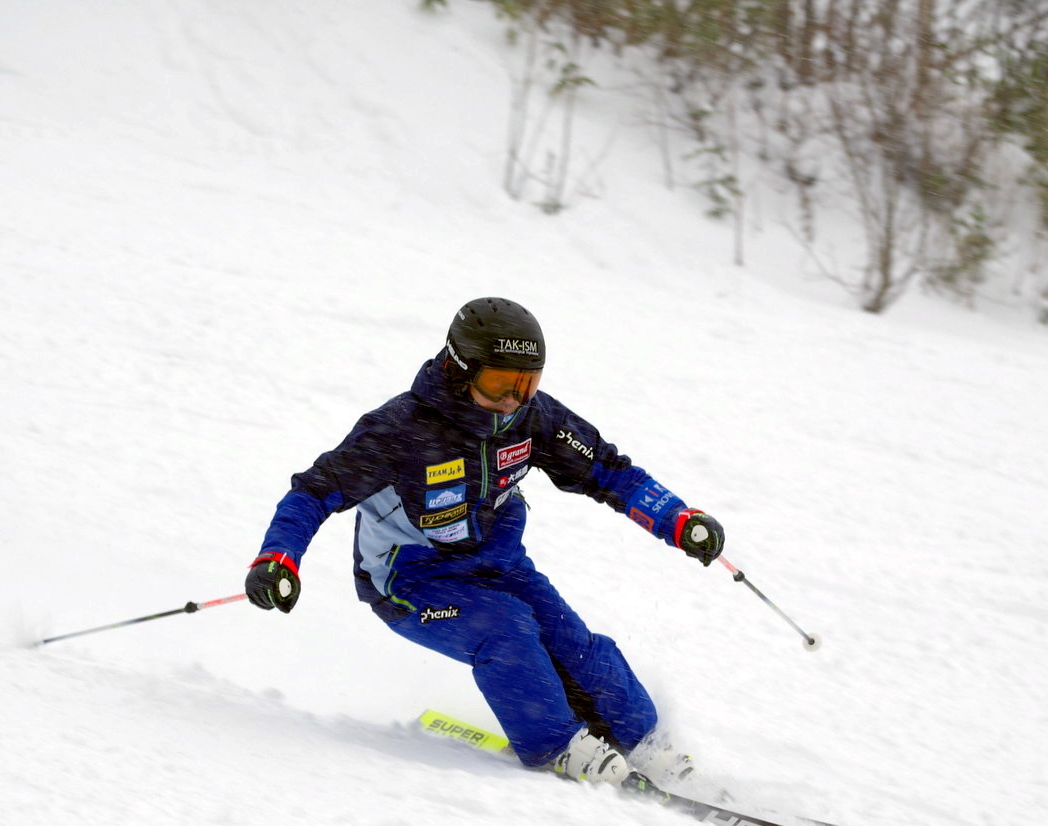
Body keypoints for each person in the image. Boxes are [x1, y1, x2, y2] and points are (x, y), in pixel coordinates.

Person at [245, 297, 724, 785]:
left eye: (527, 383)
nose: (513, 399)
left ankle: (642, 741)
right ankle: (557, 746)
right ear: (459, 368)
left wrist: (679, 519)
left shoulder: (533, 419)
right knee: (508, 629)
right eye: (500, 383)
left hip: (499, 564)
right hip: (410, 581)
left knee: (571, 640)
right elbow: (312, 493)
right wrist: (278, 559)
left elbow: (607, 471)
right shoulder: (399, 431)